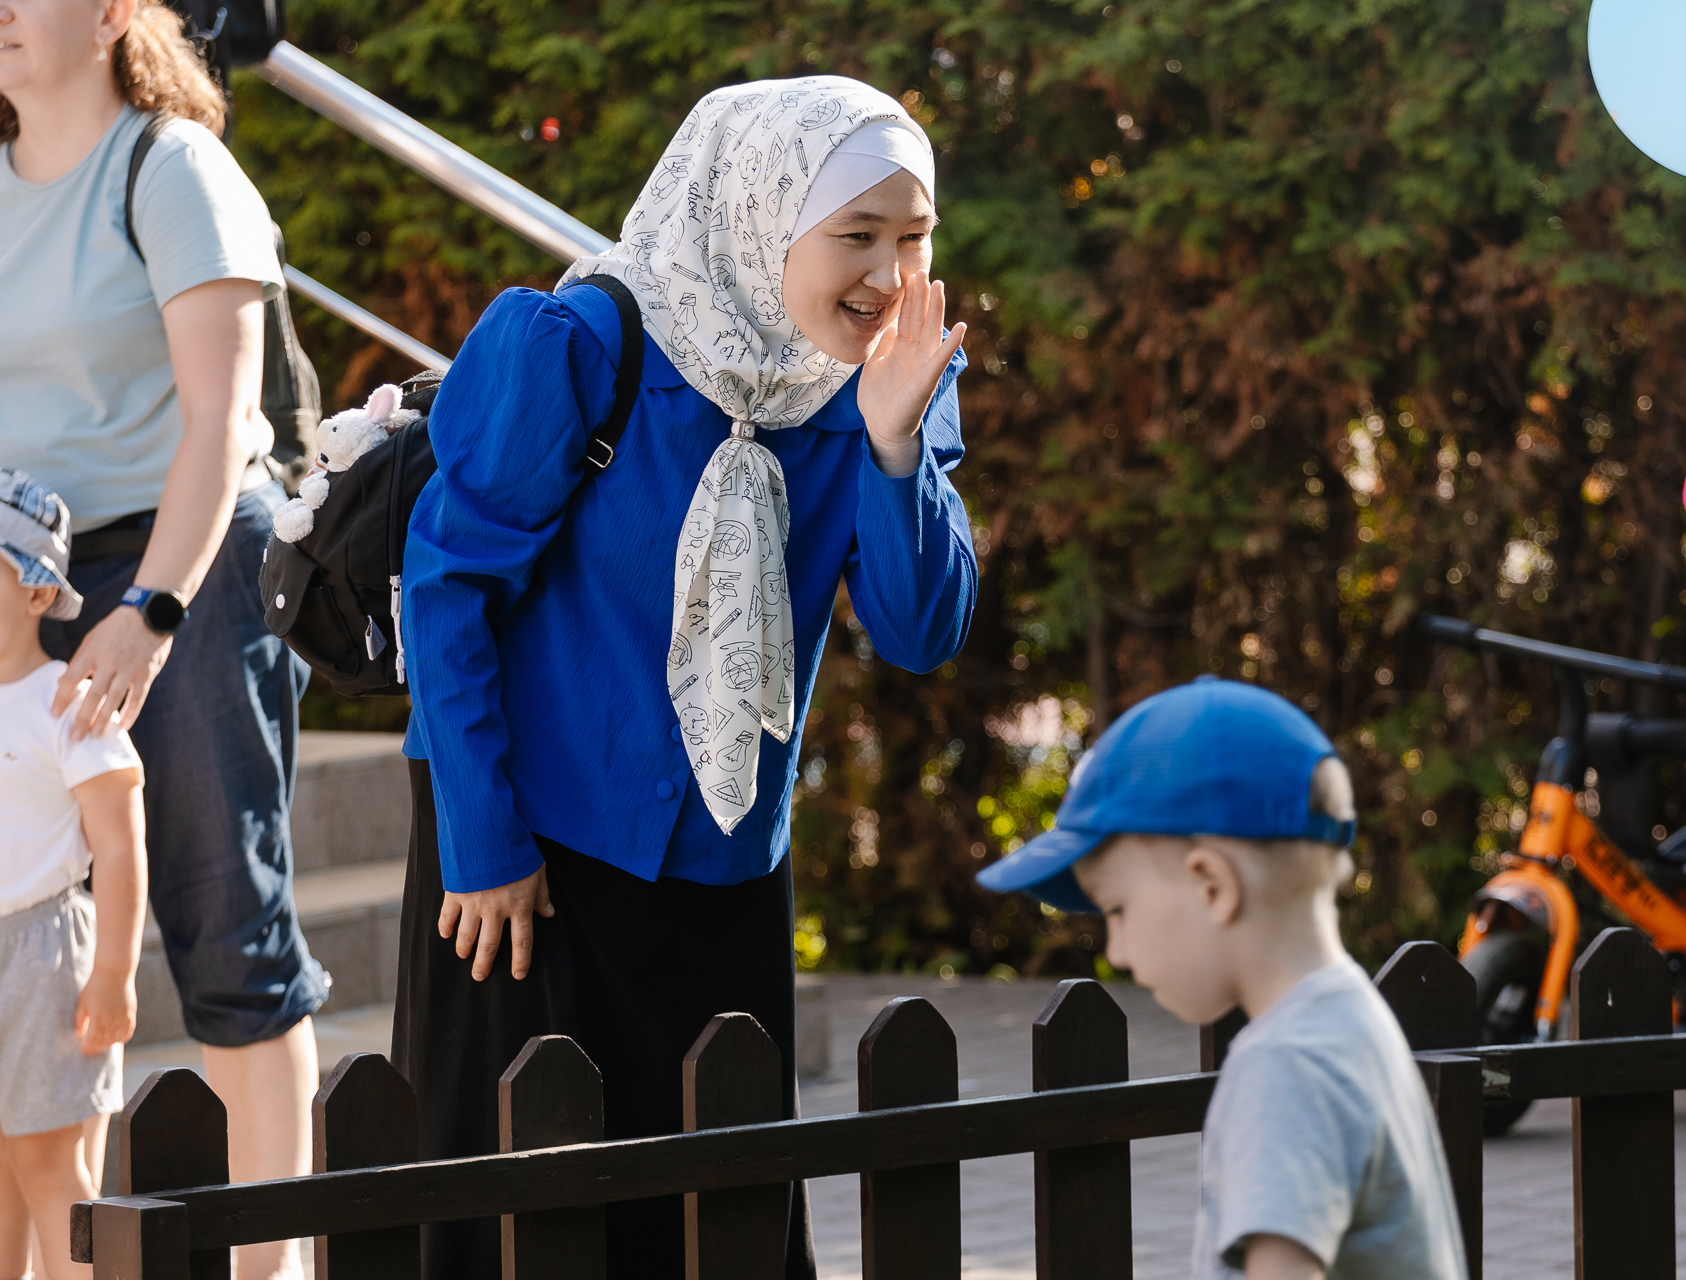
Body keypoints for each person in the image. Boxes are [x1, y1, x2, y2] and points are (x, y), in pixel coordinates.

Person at [396, 75, 974, 1276]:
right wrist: (483, 842)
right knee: (524, 1229)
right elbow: (446, 586)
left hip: (725, 859)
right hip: (533, 856)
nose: (889, 272)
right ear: (763, 215)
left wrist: (892, 444)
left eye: (914, 238)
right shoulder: (586, 343)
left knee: (720, 1227)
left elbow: (919, 631)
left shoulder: (887, 380)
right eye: (858, 234)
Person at [0, 4, 324, 1277]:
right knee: (26, 935)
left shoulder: (173, 167)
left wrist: (153, 611)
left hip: (187, 566)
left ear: (111, 14)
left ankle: (271, 1264)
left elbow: (221, 418)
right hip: (26, 575)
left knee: (225, 922)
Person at [977, 678, 1469, 1280]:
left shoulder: (1284, 1063)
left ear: (1212, 886)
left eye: (1117, 910)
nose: (1117, 952)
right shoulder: (1353, 1022)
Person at [0, 472, 145, 1280]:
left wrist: (114, 974)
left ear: (33, 590)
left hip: (44, 955)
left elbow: (120, 845)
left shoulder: (67, 704)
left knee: (50, 1163)